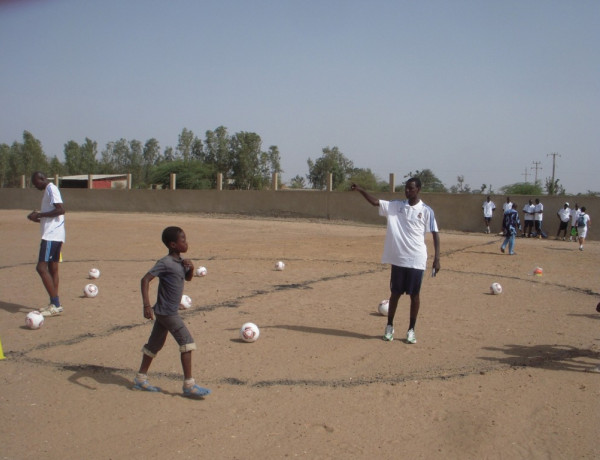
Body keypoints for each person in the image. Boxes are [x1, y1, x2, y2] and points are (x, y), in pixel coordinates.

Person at [351, 178, 440, 344]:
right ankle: (389, 326)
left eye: (411, 189)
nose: (407, 191)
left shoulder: (427, 211)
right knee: (395, 294)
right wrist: (360, 190)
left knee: (414, 295)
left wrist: (437, 258)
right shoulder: (397, 206)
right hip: (399, 259)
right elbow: (376, 202)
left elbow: (435, 233)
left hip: (416, 259)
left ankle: (411, 330)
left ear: (418, 190)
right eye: (406, 188)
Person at [134, 226, 210, 397]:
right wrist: (146, 305)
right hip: (168, 313)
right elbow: (145, 280)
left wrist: (190, 268)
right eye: (183, 240)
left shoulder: (180, 262)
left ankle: (140, 378)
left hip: (164, 312)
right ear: (173, 244)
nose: (186, 242)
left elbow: (187, 279)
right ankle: (189, 385)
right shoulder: (165, 263)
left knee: (154, 345)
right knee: (187, 343)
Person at [26, 172, 66, 317]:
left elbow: (61, 209)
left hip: (51, 236)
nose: (34, 185)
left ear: (41, 179)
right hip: (56, 234)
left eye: (34, 181)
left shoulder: (51, 188)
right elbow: (53, 216)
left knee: (41, 267)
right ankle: (54, 303)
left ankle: (56, 304)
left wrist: (40, 215)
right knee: (52, 268)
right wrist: (36, 217)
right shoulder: (49, 190)